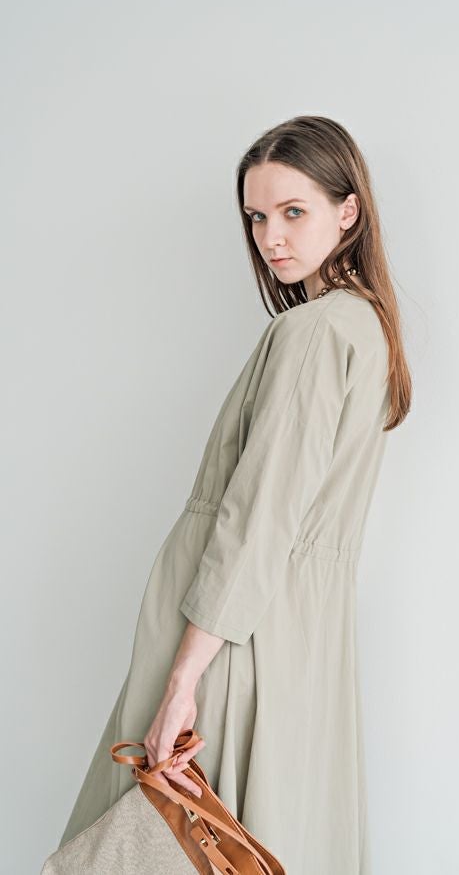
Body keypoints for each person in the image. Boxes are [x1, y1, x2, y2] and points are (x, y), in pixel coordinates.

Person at [49, 114, 412, 874]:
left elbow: (260, 518)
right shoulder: (365, 329)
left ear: (348, 211)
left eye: (293, 211)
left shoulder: (314, 333)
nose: (271, 237)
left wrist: (183, 681)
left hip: (236, 641)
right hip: (296, 638)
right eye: (256, 216)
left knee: (159, 842)